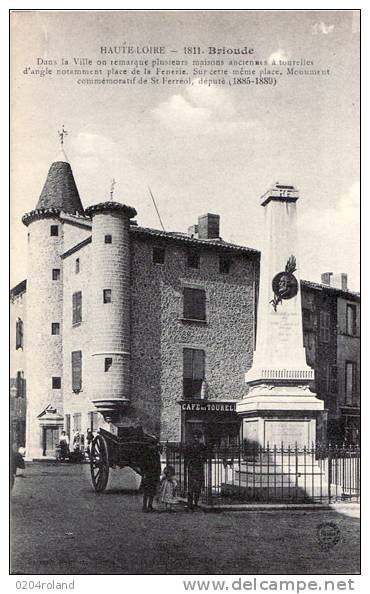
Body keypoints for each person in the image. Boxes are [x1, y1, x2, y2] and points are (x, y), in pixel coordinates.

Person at [185, 432, 207, 511]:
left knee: (198, 487)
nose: (196, 439)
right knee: (191, 487)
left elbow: (205, 456)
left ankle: (196, 503)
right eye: (194, 437)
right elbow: (186, 455)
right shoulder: (190, 446)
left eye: (197, 437)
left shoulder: (202, 446)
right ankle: (190, 504)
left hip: (199, 468)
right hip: (192, 468)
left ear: (200, 438)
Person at [141, 444, 162, 512]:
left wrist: (158, 474)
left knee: (152, 491)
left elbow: (158, 465)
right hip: (148, 474)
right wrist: (144, 473)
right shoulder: (146, 454)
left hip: (154, 475)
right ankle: (144, 506)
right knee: (146, 491)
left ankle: (149, 505)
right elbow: (143, 465)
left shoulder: (156, 454)